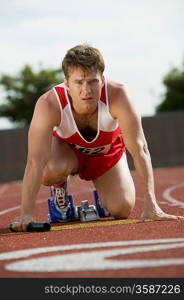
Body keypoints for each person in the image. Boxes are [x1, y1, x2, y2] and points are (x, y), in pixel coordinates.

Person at [12, 44, 183, 231]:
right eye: (79, 82)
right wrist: (26, 213)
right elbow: (34, 161)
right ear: (66, 83)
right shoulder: (49, 104)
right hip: (68, 153)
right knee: (48, 170)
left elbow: (140, 148)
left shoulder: (118, 95)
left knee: (122, 208)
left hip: (106, 155)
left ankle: (105, 200)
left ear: (102, 80)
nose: (86, 91)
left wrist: (152, 204)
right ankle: (59, 188)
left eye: (92, 81)